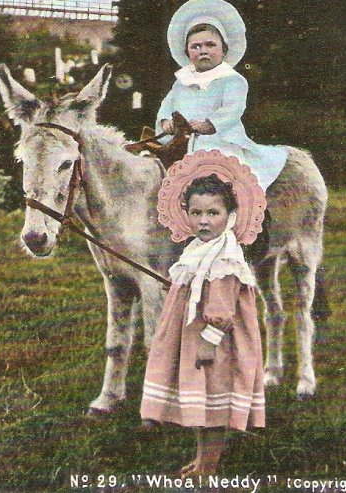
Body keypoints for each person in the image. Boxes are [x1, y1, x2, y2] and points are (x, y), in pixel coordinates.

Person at [141, 150, 267, 477]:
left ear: (231, 214)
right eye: (196, 213)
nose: (204, 221)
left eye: (213, 213)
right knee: (201, 404)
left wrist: (209, 340)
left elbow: (222, 308)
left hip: (216, 344)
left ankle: (208, 467)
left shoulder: (226, 255)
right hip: (193, 338)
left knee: (213, 405)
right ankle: (201, 461)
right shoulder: (198, 249)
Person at [155, 0, 288, 193]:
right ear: (187, 51)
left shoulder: (232, 80)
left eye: (210, 45)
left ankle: (227, 215)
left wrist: (209, 124)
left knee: (222, 181)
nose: (203, 51)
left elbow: (232, 110)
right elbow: (167, 104)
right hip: (182, 142)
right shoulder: (182, 82)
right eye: (196, 46)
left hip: (220, 141)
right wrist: (165, 120)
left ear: (224, 49)